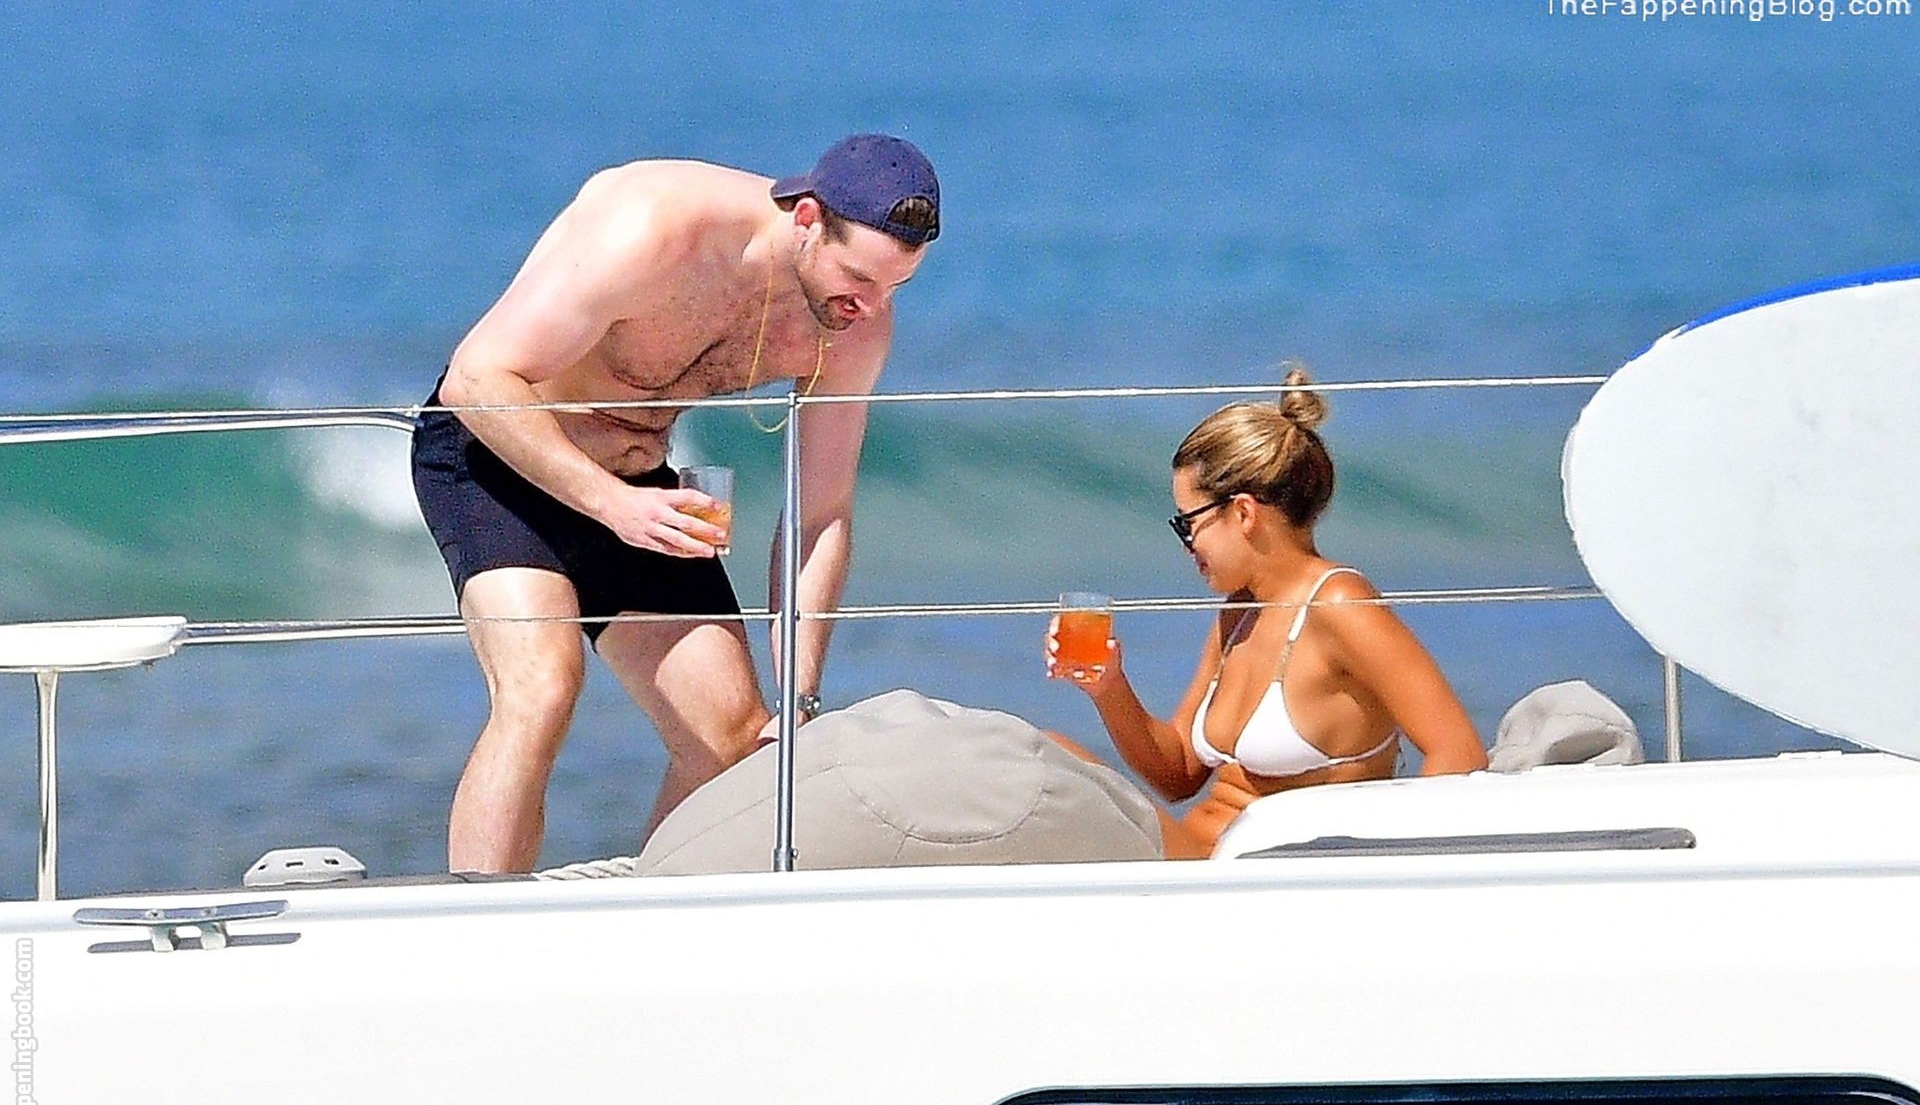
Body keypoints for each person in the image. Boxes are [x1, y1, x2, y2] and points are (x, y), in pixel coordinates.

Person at [411, 134, 940, 872]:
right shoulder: (654, 227)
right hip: (498, 457)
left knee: (732, 734)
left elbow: (820, 513)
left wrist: (800, 692)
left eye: (896, 287)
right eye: (859, 278)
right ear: (807, 219)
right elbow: (476, 379)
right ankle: (480, 925)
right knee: (542, 688)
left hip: (637, 487)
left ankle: (644, 912)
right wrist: (612, 506)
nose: (872, 307)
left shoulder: (854, 323)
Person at [1046, 368, 1487, 858]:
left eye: (1187, 524)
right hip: (1200, 861)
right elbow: (1178, 775)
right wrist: (1108, 687)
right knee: (1040, 753)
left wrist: (1384, 872)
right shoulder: (1240, 611)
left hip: (1255, 876)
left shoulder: (1341, 605)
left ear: (1243, 513)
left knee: (1033, 772)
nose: (1187, 545)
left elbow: (1459, 752)